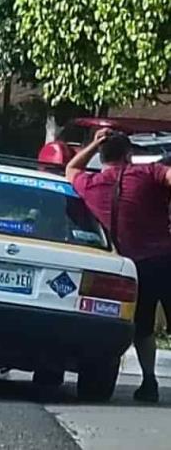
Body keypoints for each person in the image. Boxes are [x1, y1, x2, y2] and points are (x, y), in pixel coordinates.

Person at [66, 128, 171, 403]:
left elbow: (70, 168)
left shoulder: (89, 184)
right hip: (163, 260)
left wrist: (94, 144)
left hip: (127, 268)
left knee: (143, 327)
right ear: (129, 154)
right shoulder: (149, 174)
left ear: (101, 157)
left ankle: (149, 381)